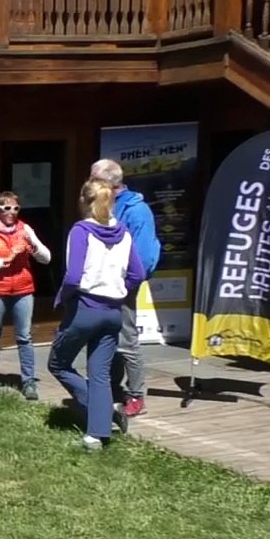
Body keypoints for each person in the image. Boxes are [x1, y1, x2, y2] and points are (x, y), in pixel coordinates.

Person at [48, 179, 145, 452]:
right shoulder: (124, 233)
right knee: (100, 373)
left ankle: (102, 413)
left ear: (84, 200)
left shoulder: (81, 231)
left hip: (85, 308)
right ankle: (97, 434)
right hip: (113, 311)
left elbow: (73, 276)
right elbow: (137, 273)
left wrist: (62, 297)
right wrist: (119, 290)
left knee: (58, 363)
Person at [90, 159, 161, 417]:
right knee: (105, 338)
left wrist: (127, 284)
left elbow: (145, 256)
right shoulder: (102, 203)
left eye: (93, 178)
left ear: (107, 181)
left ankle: (136, 395)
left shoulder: (136, 210)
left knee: (127, 341)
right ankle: (110, 388)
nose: (89, 182)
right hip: (102, 285)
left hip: (123, 286)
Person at [0, 190, 52, 399]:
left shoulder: (25, 229)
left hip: (23, 289)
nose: (12, 212)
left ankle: (29, 383)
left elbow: (47, 258)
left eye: (16, 208)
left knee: (24, 336)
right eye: (7, 208)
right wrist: (5, 260)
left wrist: (33, 246)